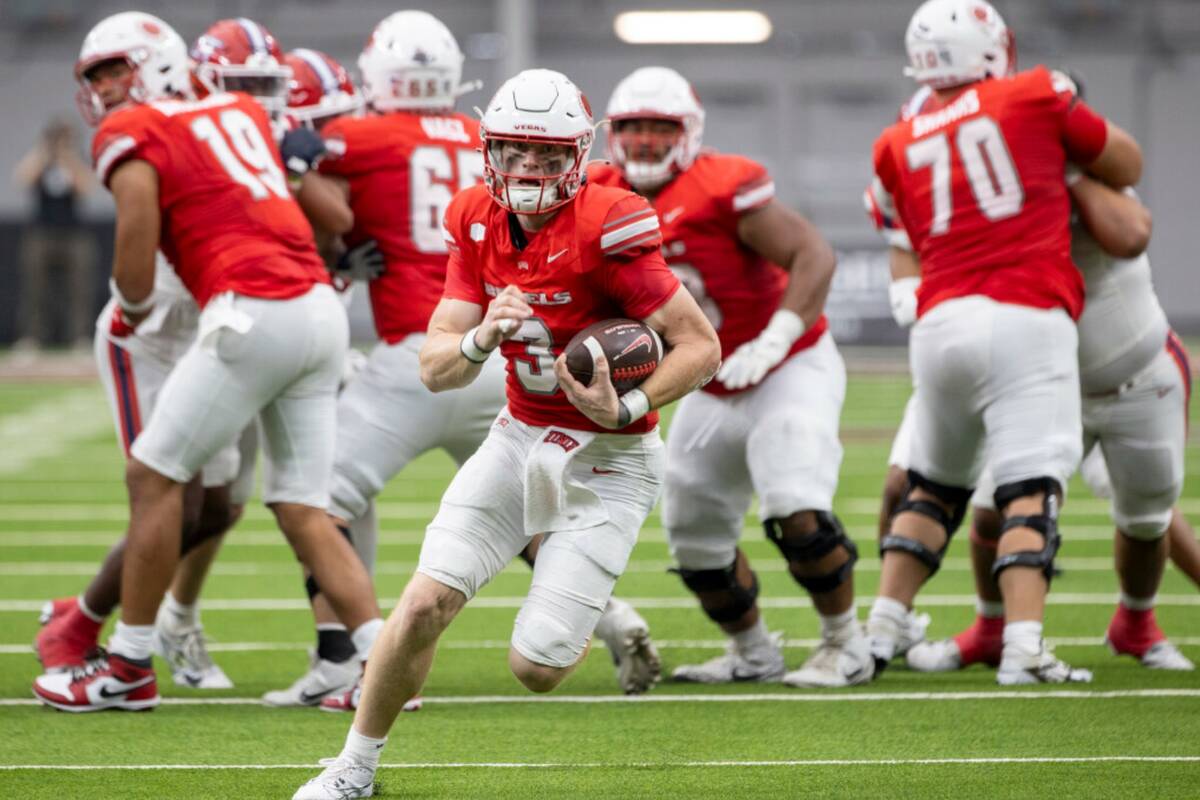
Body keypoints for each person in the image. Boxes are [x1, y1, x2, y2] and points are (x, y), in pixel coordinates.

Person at [292, 67, 720, 799]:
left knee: (538, 668)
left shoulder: (608, 220)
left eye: (548, 156)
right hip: (518, 434)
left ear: (577, 156)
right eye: (515, 152)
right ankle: (353, 769)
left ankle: (583, 607)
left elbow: (699, 345)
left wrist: (625, 404)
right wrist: (482, 338)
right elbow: (434, 367)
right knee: (424, 603)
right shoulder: (475, 219)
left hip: (611, 459)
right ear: (490, 150)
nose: (529, 170)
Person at [31, 11, 383, 713]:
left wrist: (132, 306)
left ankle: (125, 662)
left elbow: (135, 263)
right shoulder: (243, 111)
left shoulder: (142, 129)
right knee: (296, 507)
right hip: (311, 312)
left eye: (115, 71)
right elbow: (319, 216)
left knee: (160, 481)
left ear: (156, 65)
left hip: (239, 314)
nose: (104, 89)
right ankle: (380, 661)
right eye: (95, 76)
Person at [865, 0, 1143, 685]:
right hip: (1024, 311)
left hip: (938, 323)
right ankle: (1023, 649)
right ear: (991, 47)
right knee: (1028, 490)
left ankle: (872, 639)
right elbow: (1126, 160)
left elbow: (896, 225)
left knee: (930, 488)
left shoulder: (895, 138)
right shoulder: (1035, 94)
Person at [588, 66, 869, 688]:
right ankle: (753, 651)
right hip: (707, 378)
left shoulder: (721, 186)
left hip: (783, 365)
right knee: (691, 530)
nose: (643, 141)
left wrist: (776, 339)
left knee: (796, 506)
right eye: (632, 127)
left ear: (688, 133)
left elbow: (813, 253)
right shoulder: (597, 194)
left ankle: (847, 643)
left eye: (660, 128)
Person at [882, 178, 1194, 673]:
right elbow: (905, 235)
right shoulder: (991, 179)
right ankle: (992, 628)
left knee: (1147, 517)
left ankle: (1136, 625)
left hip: (1136, 376)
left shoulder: (1080, 178)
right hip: (1043, 377)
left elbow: (1132, 233)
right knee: (990, 511)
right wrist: (910, 293)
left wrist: (1069, 173)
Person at [12, 119, 98, 352]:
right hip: (41, 232)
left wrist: (67, 156)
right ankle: (32, 338)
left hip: (74, 233)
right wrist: (44, 151)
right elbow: (22, 179)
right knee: (35, 290)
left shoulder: (75, 159)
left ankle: (79, 338)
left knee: (79, 290)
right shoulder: (40, 159)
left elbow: (85, 188)